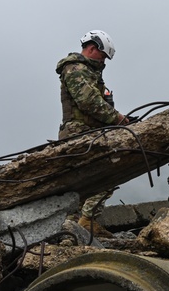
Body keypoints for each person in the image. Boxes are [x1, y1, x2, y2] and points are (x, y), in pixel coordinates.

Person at [55, 29, 131, 237]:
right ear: (92, 48)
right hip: (80, 133)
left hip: (90, 132)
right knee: (107, 173)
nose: (104, 61)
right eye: (103, 55)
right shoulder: (75, 69)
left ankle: (76, 226)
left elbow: (100, 101)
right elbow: (89, 102)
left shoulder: (89, 72)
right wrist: (117, 118)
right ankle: (82, 223)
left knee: (88, 180)